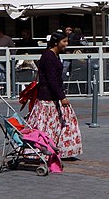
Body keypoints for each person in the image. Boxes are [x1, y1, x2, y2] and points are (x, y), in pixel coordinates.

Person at [28, 30, 83, 159]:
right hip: (47, 98)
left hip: (52, 96)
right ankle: (42, 149)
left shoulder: (55, 55)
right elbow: (52, 80)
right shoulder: (49, 56)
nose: (66, 44)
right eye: (64, 41)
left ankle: (58, 148)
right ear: (55, 42)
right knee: (47, 125)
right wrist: (62, 97)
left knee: (57, 124)